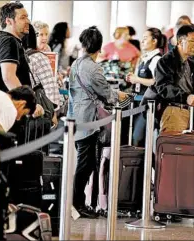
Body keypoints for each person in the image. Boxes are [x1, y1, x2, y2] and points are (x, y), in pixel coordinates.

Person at [67, 26, 127, 218]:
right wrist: (121, 95)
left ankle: (82, 203)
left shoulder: (76, 64)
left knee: (86, 162)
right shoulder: (94, 68)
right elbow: (108, 95)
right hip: (90, 121)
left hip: (76, 117)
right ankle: (77, 204)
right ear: (99, 47)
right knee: (86, 164)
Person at [0, 2, 43, 117]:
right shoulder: (8, 41)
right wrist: (30, 105)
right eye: (23, 17)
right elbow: (8, 77)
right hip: (12, 109)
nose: (28, 21)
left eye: (27, 17)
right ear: (9, 21)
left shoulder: (0, 39)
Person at [125, 27, 165, 147]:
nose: (142, 41)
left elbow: (157, 82)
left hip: (148, 105)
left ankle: (144, 165)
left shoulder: (156, 59)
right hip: (138, 103)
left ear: (154, 41)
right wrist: (133, 79)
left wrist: (137, 79)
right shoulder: (144, 58)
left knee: (138, 138)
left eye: (145, 38)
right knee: (134, 138)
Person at [22, 23, 61, 126]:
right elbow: (50, 86)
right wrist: (54, 112)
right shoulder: (39, 56)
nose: (44, 38)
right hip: (40, 104)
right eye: (40, 34)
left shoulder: (47, 50)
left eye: (46, 34)